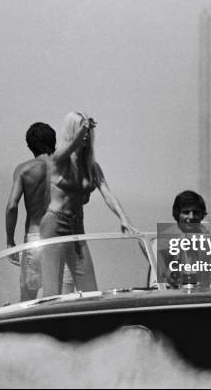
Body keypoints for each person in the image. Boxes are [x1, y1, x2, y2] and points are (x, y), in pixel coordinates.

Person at [40, 111, 137, 296]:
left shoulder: (92, 166)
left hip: (77, 226)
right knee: (53, 289)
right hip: (54, 225)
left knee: (90, 288)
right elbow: (70, 147)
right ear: (72, 131)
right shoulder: (58, 159)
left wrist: (124, 219)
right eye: (80, 129)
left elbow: (107, 193)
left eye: (87, 131)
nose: (85, 134)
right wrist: (84, 127)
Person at [5, 122, 74, 301]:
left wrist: (10, 241)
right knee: (63, 306)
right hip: (62, 238)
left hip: (35, 239)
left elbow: (12, 205)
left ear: (30, 146)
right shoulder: (66, 167)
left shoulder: (24, 169)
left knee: (28, 304)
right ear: (53, 141)